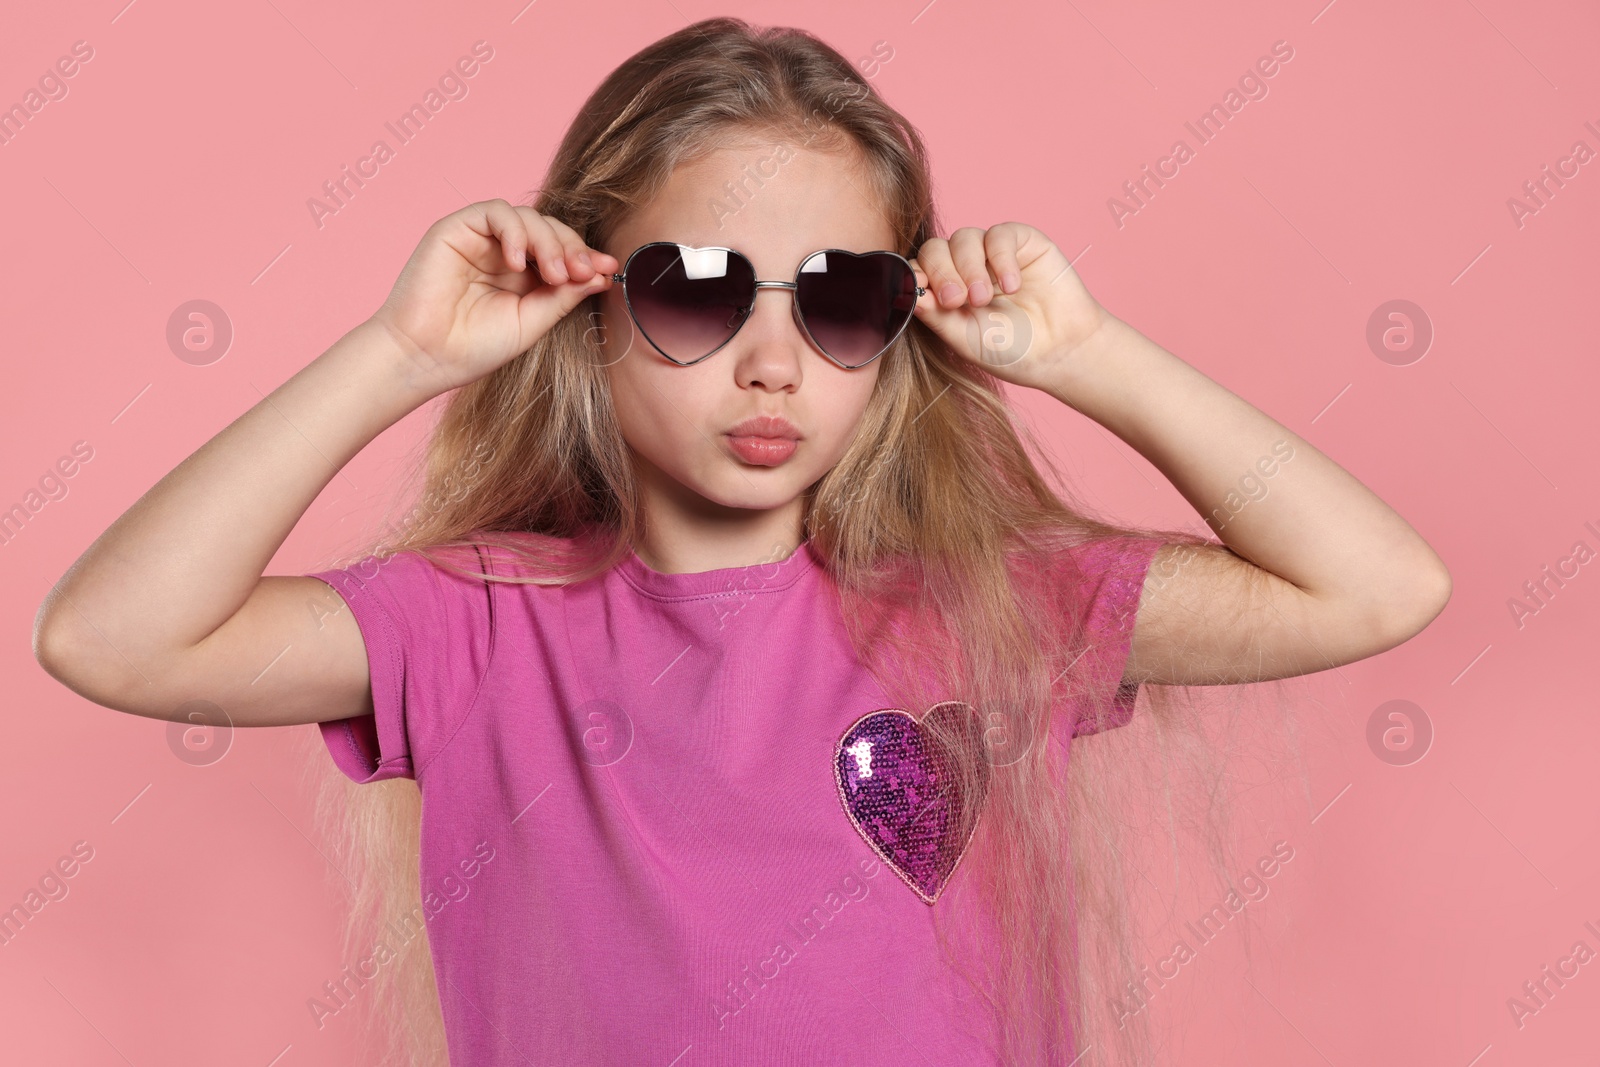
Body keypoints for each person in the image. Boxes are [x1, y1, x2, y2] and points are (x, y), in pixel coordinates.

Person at [32, 17, 1450, 1067]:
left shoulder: (984, 607)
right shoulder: (471, 625)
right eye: (699, 292)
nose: (773, 363)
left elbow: (1376, 584)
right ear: (589, 307)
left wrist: (1087, 352)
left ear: (896, 332)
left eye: (839, 299)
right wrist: (400, 352)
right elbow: (114, 635)